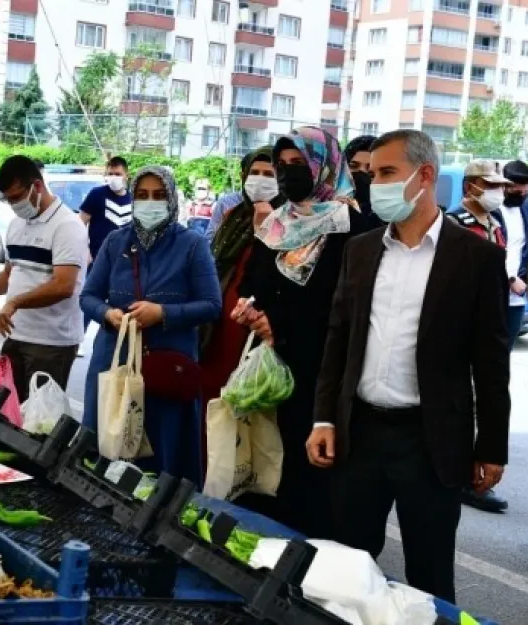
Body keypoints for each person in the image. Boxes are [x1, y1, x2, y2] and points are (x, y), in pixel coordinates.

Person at [308, 129, 510, 602]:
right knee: (347, 569)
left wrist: (492, 447)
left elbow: (492, 360)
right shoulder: (362, 250)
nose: (373, 184)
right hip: (360, 433)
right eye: (372, 173)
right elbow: (338, 340)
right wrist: (324, 417)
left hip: (431, 440)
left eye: (386, 173)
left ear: (425, 176)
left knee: (430, 571)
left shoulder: (476, 258)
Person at [231, 127, 366, 538]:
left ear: (323, 168)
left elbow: (348, 310)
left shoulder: (354, 229)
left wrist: (282, 324)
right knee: (269, 473)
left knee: (312, 485)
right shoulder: (275, 223)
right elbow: (253, 283)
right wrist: (251, 308)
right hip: (271, 373)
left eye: (299, 165)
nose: (289, 174)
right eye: (282, 165)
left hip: (320, 375)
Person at [80, 166, 220, 483]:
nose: (150, 202)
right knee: (107, 458)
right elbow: (88, 295)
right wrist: (107, 314)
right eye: (142, 195)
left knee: (162, 464)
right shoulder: (116, 242)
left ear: (171, 198)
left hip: (164, 373)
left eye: (158, 195)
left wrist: (164, 313)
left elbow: (212, 305)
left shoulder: (193, 245)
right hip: (114, 366)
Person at [0, 155, 86, 401]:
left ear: (37, 187)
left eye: (17, 197)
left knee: (38, 422)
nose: (13, 204)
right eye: (8, 199)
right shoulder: (18, 224)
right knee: (7, 411)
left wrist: (15, 303)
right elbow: (11, 273)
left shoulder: (67, 226)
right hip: (14, 336)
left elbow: (64, 285)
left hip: (51, 343)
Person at [448, 159, 513, 515]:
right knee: (464, 402)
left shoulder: (494, 224)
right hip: (462, 321)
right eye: (490, 186)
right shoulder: (455, 223)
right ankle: (461, 477)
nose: (497, 193)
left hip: (489, 318)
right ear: (470, 186)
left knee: (485, 398)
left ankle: (474, 473)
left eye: (500, 187)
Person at [198, 148, 283, 407]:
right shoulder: (233, 216)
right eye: (254, 173)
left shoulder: (291, 222)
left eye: (269, 174)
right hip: (219, 322)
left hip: (256, 327)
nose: (260, 179)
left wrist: (266, 227)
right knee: (212, 401)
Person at [500, 160, 528, 341]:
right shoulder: (491, 211)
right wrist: (510, 278)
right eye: (517, 192)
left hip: (517, 297)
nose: (522, 196)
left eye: (526, 192)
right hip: (493, 294)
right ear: (505, 186)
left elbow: (527, 250)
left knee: (506, 351)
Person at [79, 156, 133, 263]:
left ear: (126, 176)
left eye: (118, 174)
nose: (113, 177)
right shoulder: (97, 194)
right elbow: (80, 224)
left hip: (125, 262)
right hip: (98, 260)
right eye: (110, 174)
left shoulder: (133, 200)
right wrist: (84, 249)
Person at [447, 159, 508, 246]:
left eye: (501, 185)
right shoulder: (452, 223)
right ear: (468, 187)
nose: (498, 191)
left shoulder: (495, 222)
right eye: (491, 185)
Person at [343, 134, 378, 226]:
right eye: (353, 166)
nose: (362, 172)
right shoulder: (330, 206)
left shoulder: (388, 213)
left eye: (369, 168)